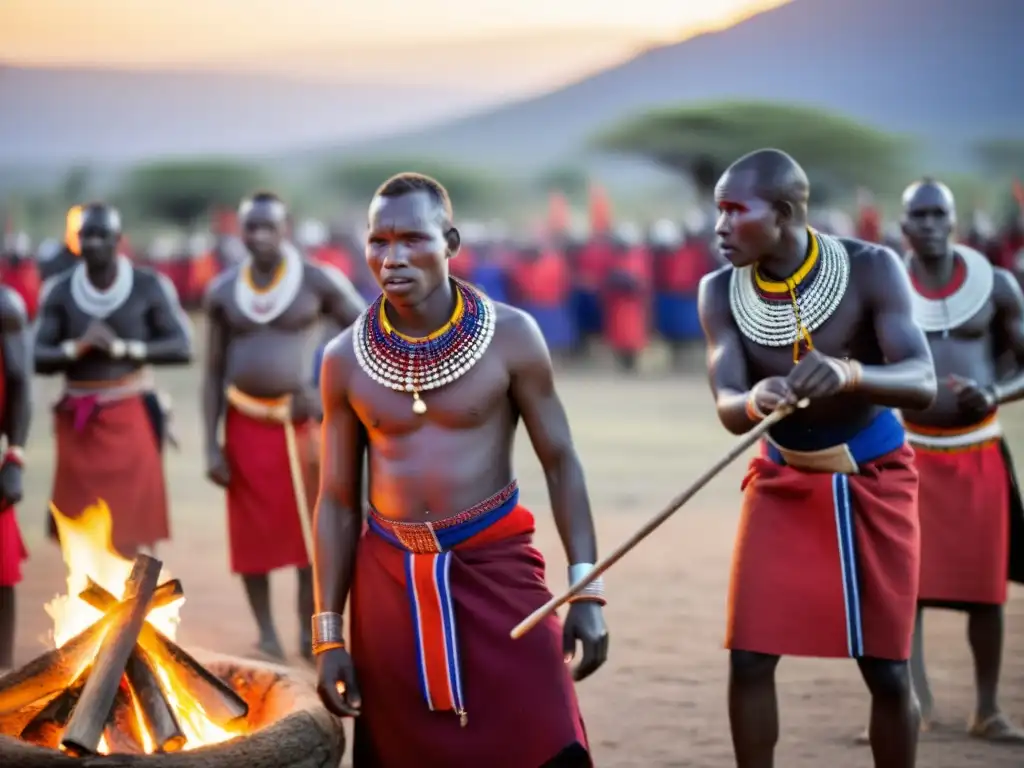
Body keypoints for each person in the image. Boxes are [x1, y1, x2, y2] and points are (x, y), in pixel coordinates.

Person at [311, 173, 607, 767]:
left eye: (412, 239)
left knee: (548, 742)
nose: (391, 258)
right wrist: (329, 634)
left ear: (450, 241)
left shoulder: (512, 336)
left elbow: (561, 461)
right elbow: (337, 501)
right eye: (378, 241)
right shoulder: (343, 358)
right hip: (389, 584)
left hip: (499, 569)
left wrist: (586, 590)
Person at [697, 149, 936, 768]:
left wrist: (852, 373)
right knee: (749, 655)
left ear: (781, 213)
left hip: (873, 479)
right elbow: (726, 404)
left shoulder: (871, 267)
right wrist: (752, 398)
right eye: (717, 210)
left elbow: (922, 381)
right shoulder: (719, 289)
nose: (718, 226)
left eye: (732, 210)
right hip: (781, 479)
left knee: (885, 670)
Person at [878, 179, 1024, 741]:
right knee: (905, 586)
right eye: (921, 215)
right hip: (906, 453)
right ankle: (911, 700)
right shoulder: (884, 286)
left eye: (942, 214)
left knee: (986, 590)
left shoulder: (997, 286)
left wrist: (994, 393)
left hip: (977, 453)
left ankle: (987, 708)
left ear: (955, 220)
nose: (933, 225)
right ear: (904, 224)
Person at [201, 191, 365, 662]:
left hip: (302, 429)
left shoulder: (317, 280)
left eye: (268, 227)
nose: (258, 237)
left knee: (309, 535)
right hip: (244, 423)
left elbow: (364, 327)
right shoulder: (224, 290)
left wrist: (326, 385)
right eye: (250, 227)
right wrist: (211, 446)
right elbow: (212, 372)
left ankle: (305, 629)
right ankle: (266, 632)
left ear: (286, 227)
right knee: (252, 536)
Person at [34, 203, 192, 559]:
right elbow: (36, 356)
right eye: (86, 235)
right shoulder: (60, 291)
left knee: (130, 528)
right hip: (79, 421)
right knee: (79, 528)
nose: (93, 243)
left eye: (101, 235)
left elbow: (183, 346)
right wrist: (76, 349)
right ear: (76, 241)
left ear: (118, 240)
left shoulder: (148, 286)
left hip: (130, 412)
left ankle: (133, 610)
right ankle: (94, 609)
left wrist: (125, 348)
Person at [0, 285, 30, 669]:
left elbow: (21, 383)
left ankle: (3, 670)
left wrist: (14, 458)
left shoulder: (5, 305)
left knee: (1, 568)